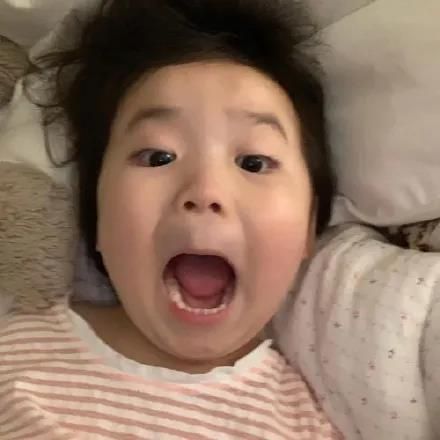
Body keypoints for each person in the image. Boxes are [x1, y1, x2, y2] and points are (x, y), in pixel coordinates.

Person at [0, 0, 340, 438]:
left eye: (254, 163)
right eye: (158, 156)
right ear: (97, 217)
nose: (205, 191)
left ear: (310, 225)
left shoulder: (308, 425)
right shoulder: (13, 360)